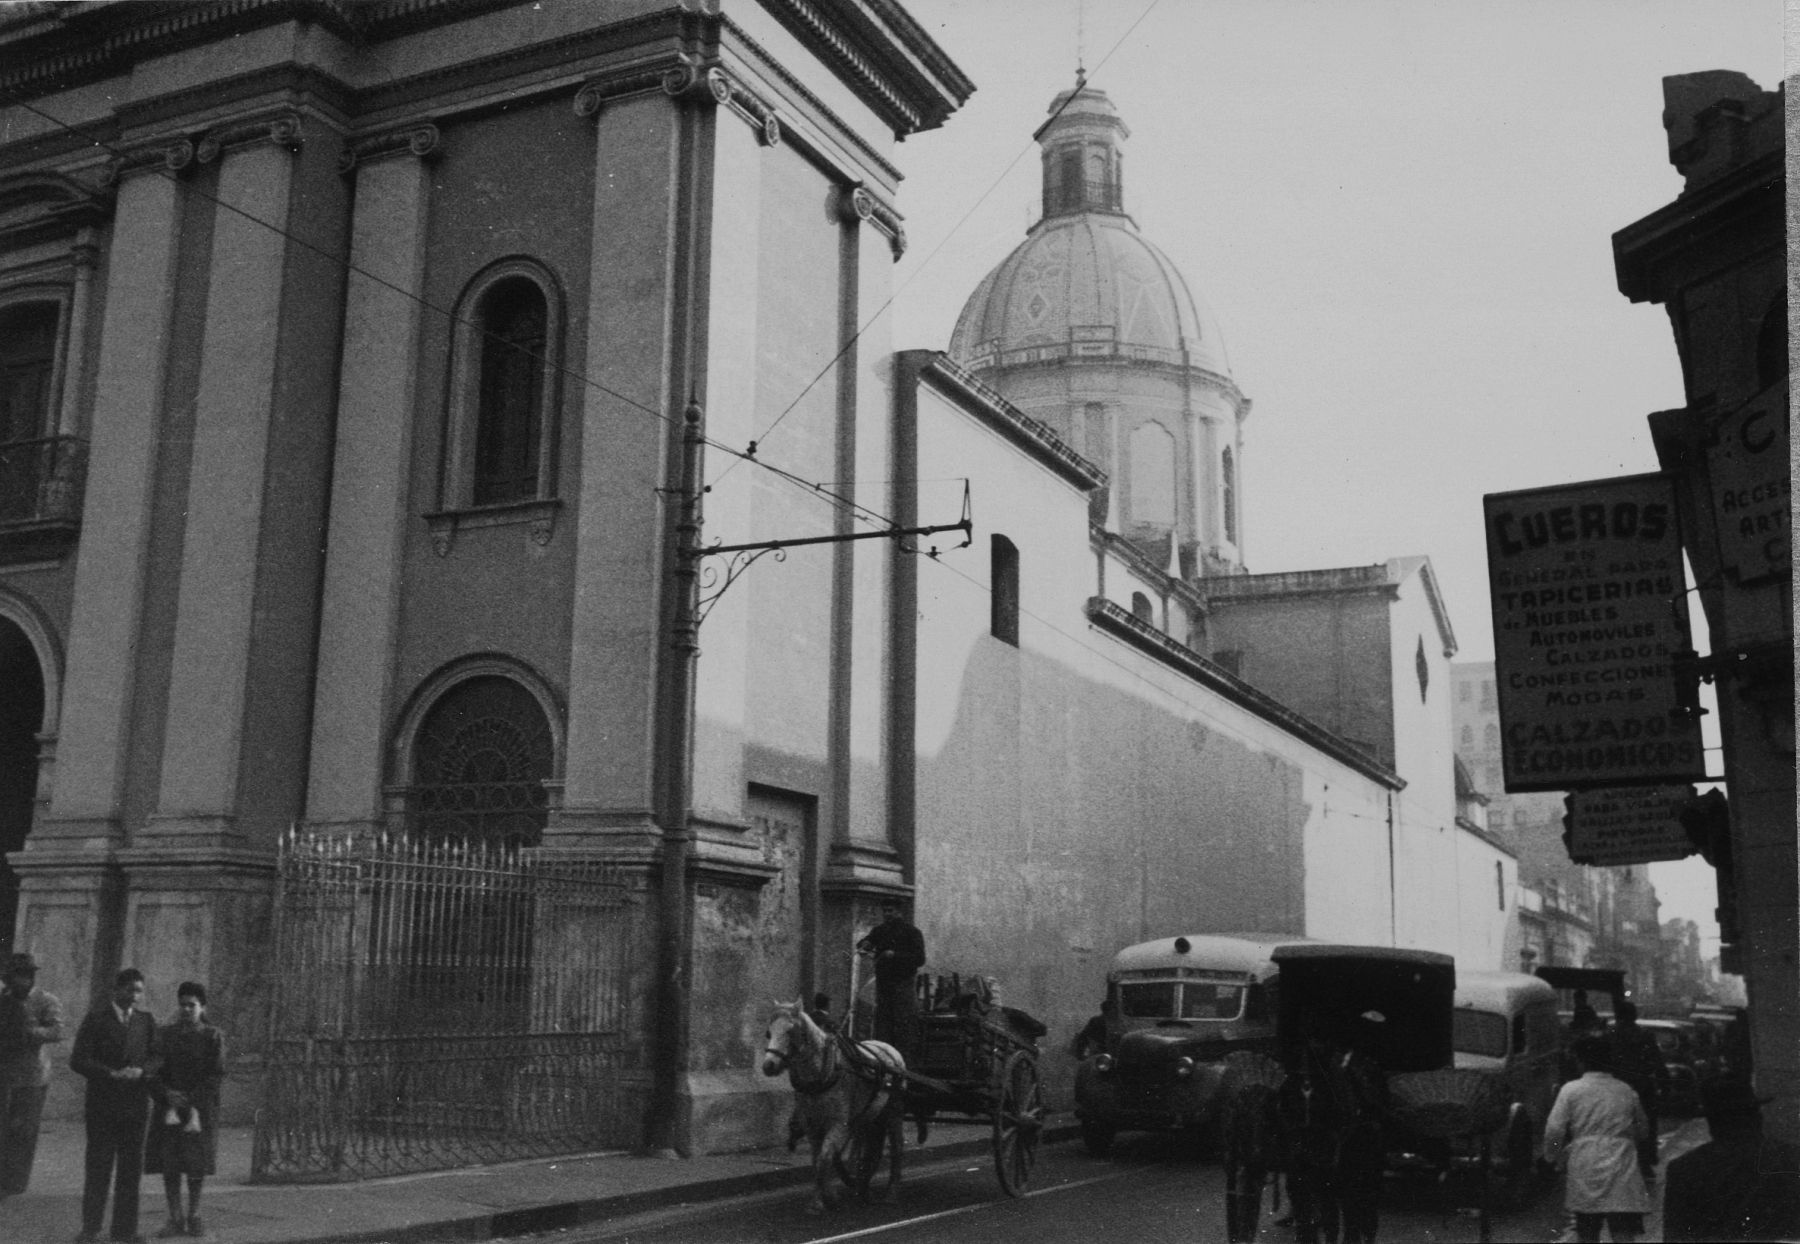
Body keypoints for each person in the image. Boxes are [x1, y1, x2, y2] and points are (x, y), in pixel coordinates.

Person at [71, 967, 161, 1244]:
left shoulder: (146, 1022)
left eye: (139, 991)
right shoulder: (96, 1020)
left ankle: (125, 1230)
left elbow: (158, 1057)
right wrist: (110, 1073)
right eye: (129, 990)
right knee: (98, 1167)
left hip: (135, 1107)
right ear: (116, 990)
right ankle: (91, 1230)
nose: (134, 996)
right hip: (103, 1106)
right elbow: (79, 1060)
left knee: (130, 1170)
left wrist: (142, 1072)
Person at [1662, 1078, 1800, 1242]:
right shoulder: (1792, 1157)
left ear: (1713, 1123)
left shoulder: (1684, 1168)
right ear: (1757, 1117)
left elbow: (1675, 1236)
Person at [1543, 1034, 1650, 1244]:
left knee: (1587, 1230)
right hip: (1622, 1165)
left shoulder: (1571, 1090)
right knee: (1623, 1229)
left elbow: (1554, 1130)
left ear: (1580, 1061)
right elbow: (1643, 1130)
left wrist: (1551, 1157)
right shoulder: (1625, 1090)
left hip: (1585, 1163)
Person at [145, 982, 224, 1239]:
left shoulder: (213, 1036)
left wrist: (191, 1099)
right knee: (170, 1163)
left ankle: (195, 1214)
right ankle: (175, 1217)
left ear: (202, 1007)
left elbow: (216, 1074)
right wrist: (166, 1093)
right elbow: (152, 1070)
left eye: (193, 1005)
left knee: (196, 1164)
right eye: (183, 1005)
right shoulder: (165, 1035)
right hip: (169, 1108)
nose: (187, 1009)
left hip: (199, 1111)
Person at [0, 951, 64, 1198]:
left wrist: (29, 1032)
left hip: (32, 1075)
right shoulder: (3, 999)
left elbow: (58, 1030)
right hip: (4, 1071)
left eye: (23, 976)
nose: (17, 981)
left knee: (23, 1129)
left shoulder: (46, 1000)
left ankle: (15, 1181)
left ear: (30, 977)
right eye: (13, 976)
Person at [855, 898, 924, 1051]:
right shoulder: (879, 931)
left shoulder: (912, 932)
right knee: (883, 1025)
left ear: (899, 912)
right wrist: (864, 944)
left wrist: (895, 955)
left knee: (904, 1024)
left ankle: (905, 1063)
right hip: (884, 987)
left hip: (903, 986)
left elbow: (920, 959)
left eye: (890, 910)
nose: (887, 914)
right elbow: (864, 944)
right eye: (885, 911)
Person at [1607, 1000, 1663, 1178]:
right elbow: (1656, 1060)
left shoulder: (1611, 1035)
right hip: (1643, 1085)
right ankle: (1646, 1161)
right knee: (1646, 1124)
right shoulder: (1645, 1035)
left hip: (1618, 1086)